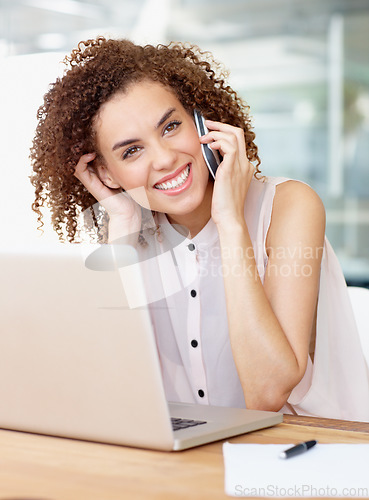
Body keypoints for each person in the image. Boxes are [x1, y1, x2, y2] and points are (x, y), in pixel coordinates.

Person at [30, 36, 369, 421]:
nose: (164, 158)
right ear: (106, 173)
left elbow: (267, 390)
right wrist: (122, 226)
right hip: (195, 460)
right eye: (131, 151)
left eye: (171, 127)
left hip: (317, 452)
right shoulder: (131, 236)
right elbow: (107, 390)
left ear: (202, 122)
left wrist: (230, 223)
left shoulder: (290, 207)